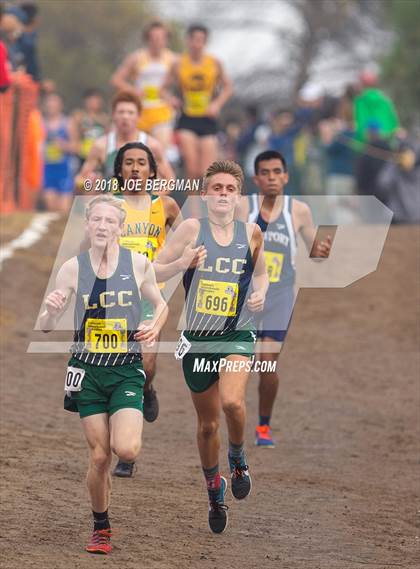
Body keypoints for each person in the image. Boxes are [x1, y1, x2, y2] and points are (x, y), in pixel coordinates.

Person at [39, 195, 168, 555]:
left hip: (126, 370)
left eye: (110, 221)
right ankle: (101, 527)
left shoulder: (139, 264)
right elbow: (47, 327)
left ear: (120, 228)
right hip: (88, 372)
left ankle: (132, 414)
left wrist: (153, 325)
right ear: (87, 225)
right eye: (96, 220)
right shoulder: (72, 269)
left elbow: (161, 304)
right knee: (99, 457)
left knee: (125, 447)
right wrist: (50, 312)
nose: (102, 226)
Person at [155, 160, 268, 533]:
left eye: (229, 189)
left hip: (236, 334)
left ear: (239, 197)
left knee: (233, 403)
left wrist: (261, 294)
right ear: (204, 196)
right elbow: (155, 268)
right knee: (207, 426)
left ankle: (237, 457)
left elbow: (262, 274)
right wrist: (184, 261)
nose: (222, 195)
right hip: (198, 338)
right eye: (216, 188)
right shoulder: (190, 228)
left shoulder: (252, 233)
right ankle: (213, 493)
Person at [236, 150, 331, 447]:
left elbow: (314, 252)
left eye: (277, 172)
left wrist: (322, 250)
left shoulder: (298, 211)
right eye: (265, 172)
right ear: (256, 179)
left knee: (266, 365)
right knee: (235, 364)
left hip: (278, 298)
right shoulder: (243, 208)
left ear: (286, 176)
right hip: (244, 298)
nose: (272, 177)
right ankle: (231, 415)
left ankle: (263, 425)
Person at [110, 141, 182, 477]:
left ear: (152, 171)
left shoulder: (165, 206)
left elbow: (184, 239)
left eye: (142, 163)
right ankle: (126, 454)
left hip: (151, 297)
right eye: (128, 163)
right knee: (116, 368)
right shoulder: (107, 206)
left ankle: (148, 388)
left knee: (145, 364)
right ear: (119, 170)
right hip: (113, 298)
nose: (135, 168)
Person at [162, 24, 232, 191]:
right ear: (188, 41)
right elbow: (162, 89)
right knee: (192, 170)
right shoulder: (178, 63)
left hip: (207, 119)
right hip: (187, 118)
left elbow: (228, 87)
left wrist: (216, 104)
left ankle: (207, 211)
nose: (196, 44)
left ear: (205, 42)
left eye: (201, 40)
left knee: (206, 172)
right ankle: (192, 211)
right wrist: (171, 99)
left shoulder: (214, 63)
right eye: (193, 39)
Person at [76, 91, 174, 190]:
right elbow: (80, 179)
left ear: (139, 116)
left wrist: (152, 200)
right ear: (113, 115)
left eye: (130, 113)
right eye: (121, 112)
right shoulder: (101, 145)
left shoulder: (152, 145)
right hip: (110, 203)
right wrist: (88, 183)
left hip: (142, 203)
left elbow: (169, 180)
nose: (125, 117)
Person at [111, 20, 176, 153]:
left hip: (161, 110)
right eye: (153, 37)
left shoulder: (173, 59)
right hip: (139, 110)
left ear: (166, 39)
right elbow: (116, 80)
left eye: (161, 37)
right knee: (135, 153)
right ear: (147, 39)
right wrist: (133, 90)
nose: (157, 41)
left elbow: (184, 83)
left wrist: (171, 97)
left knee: (159, 153)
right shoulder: (136, 57)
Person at [42, 92, 77, 213]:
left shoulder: (68, 123)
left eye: (55, 102)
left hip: (64, 171)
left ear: (61, 105)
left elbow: (76, 147)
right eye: (49, 102)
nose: (51, 105)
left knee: (64, 210)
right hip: (47, 170)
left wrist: (64, 146)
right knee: (51, 207)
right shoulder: (40, 123)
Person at [72, 88, 109, 167]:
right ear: (85, 101)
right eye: (90, 100)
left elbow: (107, 136)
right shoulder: (79, 116)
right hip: (82, 155)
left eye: (96, 100)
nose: (93, 103)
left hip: (99, 155)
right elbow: (74, 136)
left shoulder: (104, 118)